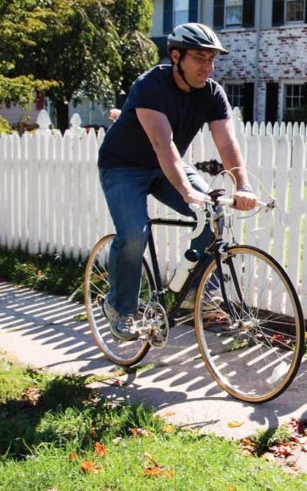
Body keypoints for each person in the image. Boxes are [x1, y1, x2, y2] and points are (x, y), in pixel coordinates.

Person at [97, 23, 257, 341]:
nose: (207, 67)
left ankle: (191, 294)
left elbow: (227, 143)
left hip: (165, 167)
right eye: (199, 58)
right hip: (123, 166)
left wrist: (243, 185)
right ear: (176, 56)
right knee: (132, 235)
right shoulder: (150, 86)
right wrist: (186, 192)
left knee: (213, 216)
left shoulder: (212, 93)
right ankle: (120, 308)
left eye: (211, 60)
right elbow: (162, 143)